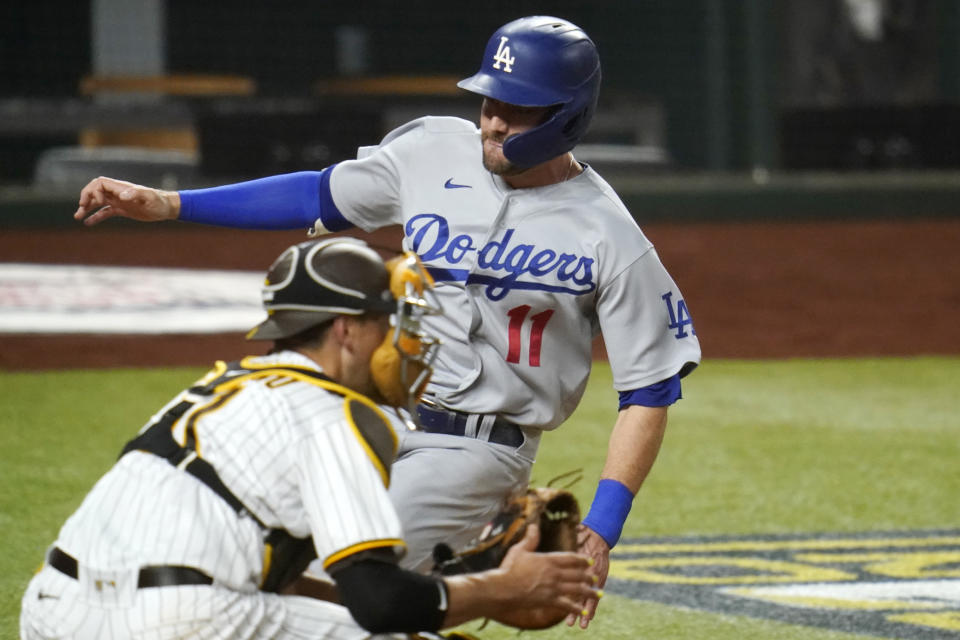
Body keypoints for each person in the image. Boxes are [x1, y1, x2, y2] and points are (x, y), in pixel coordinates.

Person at [73, 15, 701, 629]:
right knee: (246, 545)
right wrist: (171, 204)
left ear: (568, 115)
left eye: (518, 109)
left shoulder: (611, 236)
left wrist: (602, 529)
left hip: (473, 447)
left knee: (342, 585)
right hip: (372, 417)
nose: (494, 121)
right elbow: (317, 195)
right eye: (488, 102)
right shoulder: (430, 149)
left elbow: (648, 391)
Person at [20, 237, 598, 640]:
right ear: (347, 331)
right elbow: (378, 606)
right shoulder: (339, 413)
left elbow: (290, 585)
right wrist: (500, 589)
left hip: (52, 612)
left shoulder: (225, 382)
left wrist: (458, 586)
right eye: (391, 323)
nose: (407, 342)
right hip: (176, 621)